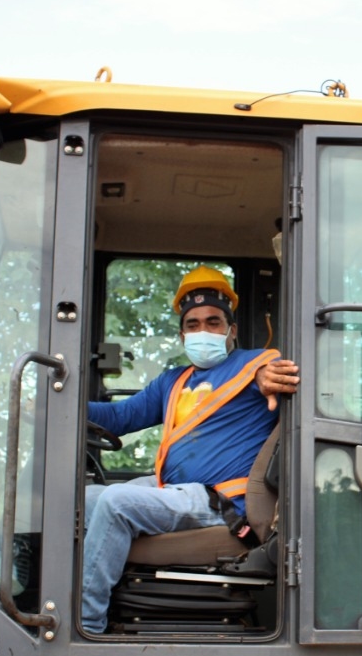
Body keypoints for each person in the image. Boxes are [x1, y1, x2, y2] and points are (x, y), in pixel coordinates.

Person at [80, 265, 299, 634]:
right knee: (81, 500)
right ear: (182, 335)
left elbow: (269, 370)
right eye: (193, 324)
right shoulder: (173, 381)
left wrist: (267, 377)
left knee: (116, 502)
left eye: (214, 322)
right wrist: (64, 402)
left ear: (231, 331)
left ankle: (86, 625)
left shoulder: (252, 365)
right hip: (173, 490)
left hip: (219, 500)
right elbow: (119, 417)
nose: (203, 331)